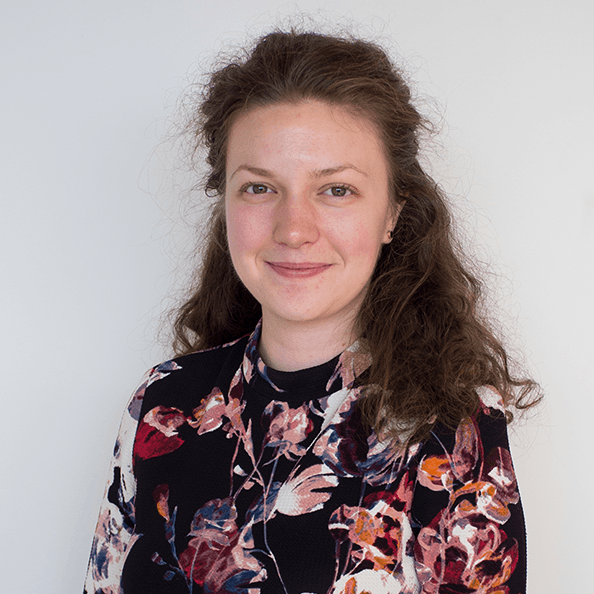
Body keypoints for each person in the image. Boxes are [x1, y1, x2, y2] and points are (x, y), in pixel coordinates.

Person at [84, 28, 540, 594]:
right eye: (258, 188)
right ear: (225, 203)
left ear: (393, 212)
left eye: (337, 190)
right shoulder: (163, 403)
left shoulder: (451, 426)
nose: (293, 229)